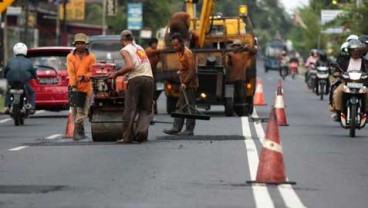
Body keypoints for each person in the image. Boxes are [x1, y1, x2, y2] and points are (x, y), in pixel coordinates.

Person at [109, 29, 154, 143]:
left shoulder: (125, 50)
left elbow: (130, 65)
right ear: (132, 39)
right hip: (149, 78)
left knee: (130, 109)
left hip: (136, 80)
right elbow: (139, 63)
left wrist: (117, 74)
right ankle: (141, 134)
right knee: (145, 109)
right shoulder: (139, 47)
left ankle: (127, 137)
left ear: (122, 40)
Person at [163, 32, 199, 136]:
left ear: (182, 43)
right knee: (180, 105)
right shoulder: (180, 52)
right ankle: (176, 128)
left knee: (189, 106)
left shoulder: (187, 53)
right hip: (184, 83)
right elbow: (186, 67)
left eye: (176, 45)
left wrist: (186, 82)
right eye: (173, 45)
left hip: (190, 84)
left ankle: (189, 129)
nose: (175, 47)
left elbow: (192, 70)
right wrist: (181, 70)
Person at [66, 33, 96, 140]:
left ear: (85, 44)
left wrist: (85, 77)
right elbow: (71, 72)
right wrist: (74, 85)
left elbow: (92, 72)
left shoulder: (91, 57)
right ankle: (78, 132)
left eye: (82, 43)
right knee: (74, 111)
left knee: (83, 111)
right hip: (73, 86)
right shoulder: (70, 56)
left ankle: (78, 132)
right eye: (78, 43)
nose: (80, 45)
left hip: (86, 88)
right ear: (75, 44)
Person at [329, 39, 368, 121]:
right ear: (349, 51)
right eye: (353, 50)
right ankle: (338, 111)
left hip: (361, 84)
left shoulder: (365, 62)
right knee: (337, 92)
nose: (355, 52)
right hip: (346, 83)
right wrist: (336, 73)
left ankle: (366, 112)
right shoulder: (344, 60)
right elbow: (337, 69)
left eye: (357, 50)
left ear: (361, 51)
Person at [3, 42, 37, 114]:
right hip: (23, 82)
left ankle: (7, 107)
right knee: (32, 92)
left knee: (8, 91)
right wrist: (35, 77)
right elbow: (33, 73)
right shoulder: (29, 62)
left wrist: (5, 77)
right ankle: (31, 107)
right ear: (25, 50)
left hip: (12, 82)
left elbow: (5, 71)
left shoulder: (10, 61)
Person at [227, 39, 256, 107]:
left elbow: (254, 52)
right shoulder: (231, 55)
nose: (234, 48)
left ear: (239, 47)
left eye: (236, 46)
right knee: (234, 94)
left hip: (241, 79)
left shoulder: (244, 54)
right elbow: (229, 63)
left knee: (241, 95)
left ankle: (241, 107)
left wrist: (247, 48)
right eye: (234, 46)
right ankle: (236, 106)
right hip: (233, 79)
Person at [145, 37, 161, 114]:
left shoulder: (157, 53)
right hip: (148, 73)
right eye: (153, 43)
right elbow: (156, 51)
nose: (155, 45)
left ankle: (153, 104)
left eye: (156, 43)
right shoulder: (149, 50)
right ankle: (150, 107)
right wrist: (166, 50)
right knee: (150, 91)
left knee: (157, 89)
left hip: (154, 73)